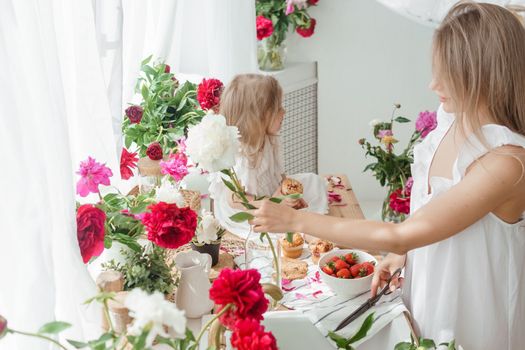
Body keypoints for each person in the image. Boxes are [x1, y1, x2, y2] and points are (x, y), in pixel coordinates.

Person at [249, 2, 525, 349]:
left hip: (475, 316)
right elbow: (432, 216)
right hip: (429, 294)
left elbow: (402, 233)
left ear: (483, 75)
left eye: (448, 74)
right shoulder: (451, 123)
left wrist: (296, 220)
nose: (433, 84)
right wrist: (405, 256)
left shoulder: (506, 163)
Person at [209, 74, 328, 238]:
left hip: (270, 193)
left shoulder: (269, 139)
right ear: (258, 119)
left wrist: (287, 193)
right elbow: (235, 199)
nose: (284, 111)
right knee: (277, 232)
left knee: (314, 181)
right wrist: (274, 203)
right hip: (249, 209)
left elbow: (279, 174)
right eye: (278, 108)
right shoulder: (241, 157)